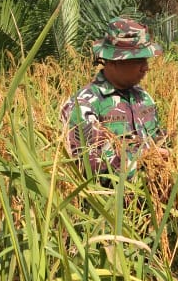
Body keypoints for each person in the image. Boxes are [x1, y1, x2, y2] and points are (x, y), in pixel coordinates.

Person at [61, 17, 167, 181]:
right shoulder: (83, 105)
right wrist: (144, 160)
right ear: (113, 61)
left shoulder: (143, 97)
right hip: (115, 196)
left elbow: (158, 138)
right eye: (138, 60)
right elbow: (90, 164)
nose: (145, 68)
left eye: (146, 60)